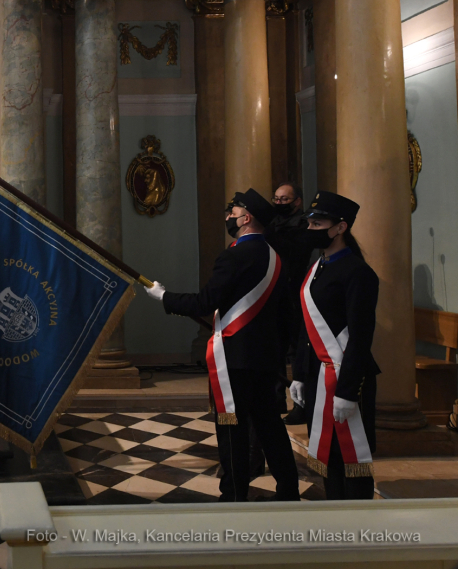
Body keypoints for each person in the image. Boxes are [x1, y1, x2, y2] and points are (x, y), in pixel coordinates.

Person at [145, 189, 300, 502]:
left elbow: (206, 301)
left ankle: (233, 495)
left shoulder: (233, 255)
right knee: (270, 426)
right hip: (265, 358)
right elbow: (284, 315)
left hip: (235, 359)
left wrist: (165, 297)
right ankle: (288, 491)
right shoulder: (275, 257)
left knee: (232, 428)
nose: (229, 216)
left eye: (234, 211)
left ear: (247, 218)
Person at [291, 191, 379, 500]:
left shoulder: (358, 272)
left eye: (319, 223)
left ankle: (358, 527)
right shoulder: (318, 268)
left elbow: (360, 336)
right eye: (310, 222)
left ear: (340, 228)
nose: (311, 228)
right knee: (328, 455)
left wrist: (347, 390)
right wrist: (300, 373)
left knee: (351, 457)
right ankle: (335, 520)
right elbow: (307, 328)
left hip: (348, 378)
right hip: (319, 373)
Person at [266, 181, 315, 426]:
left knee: (297, 351)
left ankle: (300, 405)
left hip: (295, 293)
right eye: (276, 199)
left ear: (297, 201)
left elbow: (296, 253)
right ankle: (275, 401)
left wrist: (270, 236)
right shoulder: (272, 222)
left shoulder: (305, 224)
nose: (279, 203)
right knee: (273, 348)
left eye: (285, 199)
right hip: (273, 293)